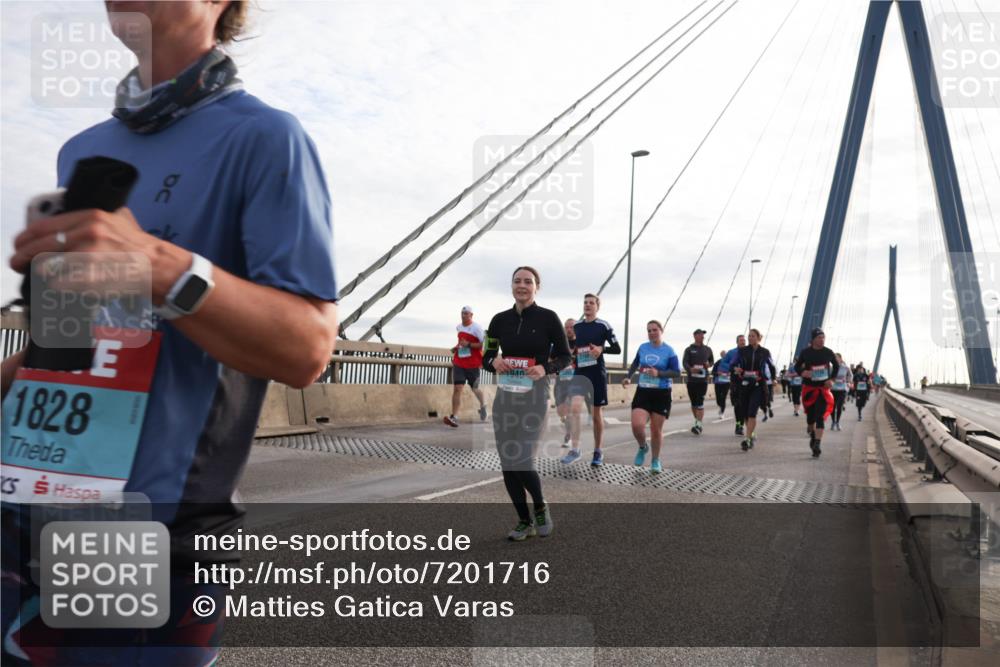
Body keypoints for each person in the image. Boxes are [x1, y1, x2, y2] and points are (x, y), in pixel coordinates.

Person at [1, 3, 339, 664]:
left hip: (152, 528)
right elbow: (71, 349)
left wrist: (158, 265)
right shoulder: (83, 152)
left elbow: (307, 348)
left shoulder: (267, 138)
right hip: (25, 504)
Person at [482, 267, 570, 541]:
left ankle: (541, 506)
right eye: (517, 281)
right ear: (512, 286)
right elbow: (487, 354)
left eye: (528, 282)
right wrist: (493, 361)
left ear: (537, 287)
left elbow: (565, 357)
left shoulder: (548, 318)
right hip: (506, 398)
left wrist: (546, 367)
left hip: (535, 397)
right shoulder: (499, 320)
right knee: (508, 462)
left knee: (521, 457)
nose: (522, 285)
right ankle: (524, 521)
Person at [562, 293, 620, 467]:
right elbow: (574, 346)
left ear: (597, 306)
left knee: (596, 415)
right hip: (580, 372)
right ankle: (575, 449)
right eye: (585, 302)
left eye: (591, 303)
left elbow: (617, 349)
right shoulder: (577, 326)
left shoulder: (603, 325)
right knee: (574, 408)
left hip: (596, 373)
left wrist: (602, 349)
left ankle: (598, 451)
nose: (587, 305)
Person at [622, 321, 680, 474]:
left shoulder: (669, 351)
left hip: (661, 393)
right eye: (649, 330)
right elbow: (635, 363)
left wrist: (659, 373)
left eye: (655, 330)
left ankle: (655, 460)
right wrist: (628, 377)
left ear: (661, 331)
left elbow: (676, 372)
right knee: (637, 425)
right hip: (643, 391)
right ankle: (643, 447)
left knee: (655, 430)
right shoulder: (643, 347)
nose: (652, 333)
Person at [795, 328, 839, 457]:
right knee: (810, 419)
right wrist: (803, 372)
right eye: (819, 337)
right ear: (813, 339)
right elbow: (797, 366)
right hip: (809, 389)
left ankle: (818, 444)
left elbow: (836, 367)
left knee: (820, 417)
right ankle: (813, 434)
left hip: (823, 389)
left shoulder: (828, 352)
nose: (822, 340)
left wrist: (832, 379)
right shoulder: (806, 352)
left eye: (823, 337)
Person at [444, 305, 487, 427]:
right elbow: (461, 342)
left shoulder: (477, 328)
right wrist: (456, 347)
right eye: (462, 313)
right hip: (459, 362)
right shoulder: (459, 327)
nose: (464, 315)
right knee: (458, 388)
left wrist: (468, 344)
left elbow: (482, 345)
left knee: (475, 388)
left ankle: (483, 406)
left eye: (466, 313)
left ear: (471, 315)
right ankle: (454, 417)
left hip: (473, 363)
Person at [731, 329, 772, 451]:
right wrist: (735, 369)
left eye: (753, 336)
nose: (750, 338)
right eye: (749, 336)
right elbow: (732, 364)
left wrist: (773, 379)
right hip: (744, 385)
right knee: (744, 412)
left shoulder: (764, 352)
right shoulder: (742, 351)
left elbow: (771, 366)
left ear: (759, 338)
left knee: (752, 412)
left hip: (758, 386)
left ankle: (747, 439)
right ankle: (751, 433)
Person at [682, 328, 714, 435]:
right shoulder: (689, 349)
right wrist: (690, 369)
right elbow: (685, 362)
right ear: (695, 336)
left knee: (700, 402)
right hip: (692, 380)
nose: (702, 336)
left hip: (703, 380)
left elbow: (712, 361)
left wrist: (708, 365)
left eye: (703, 335)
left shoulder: (708, 349)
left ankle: (698, 425)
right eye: (700, 334)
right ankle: (697, 421)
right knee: (694, 403)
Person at [553, 318, 580, 446]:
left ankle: (568, 436)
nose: (569, 329)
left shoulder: (581, 343)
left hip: (575, 382)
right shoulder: (559, 344)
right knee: (561, 412)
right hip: (561, 381)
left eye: (572, 327)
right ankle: (569, 426)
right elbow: (550, 359)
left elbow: (588, 362)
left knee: (569, 409)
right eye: (567, 327)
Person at [720, 335, 747, 435]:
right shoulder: (731, 353)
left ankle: (742, 425)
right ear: (737, 342)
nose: (743, 342)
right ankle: (739, 425)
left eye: (744, 340)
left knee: (744, 405)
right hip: (735, 382)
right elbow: (723, 364)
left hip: (747, 382)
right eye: (741, 340)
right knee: (737, 405)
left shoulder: (749, 352)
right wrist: (734, 368)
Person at [830, 353, 850, 431]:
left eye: (837, 358)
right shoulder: (831, 368)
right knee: (833, 407)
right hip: (833, 389)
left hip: (842, 389)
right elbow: (828, 376)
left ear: (841, 359)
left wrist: (848, 382)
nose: (836, 359)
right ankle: (833, 422)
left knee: (839, 407)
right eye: (834, 358)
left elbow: (850, 375)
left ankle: (837, 422)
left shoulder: (846, 368)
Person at [712, 349, 730, 418]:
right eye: (723, 355)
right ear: (721, 356)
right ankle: (720, 406)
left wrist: (729, 373)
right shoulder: (718, 362)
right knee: (718, 398)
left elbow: (734, 371)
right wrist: (718, 373)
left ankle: (722, 412)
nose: (724, 356)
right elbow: (713, 372)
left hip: (727, 382)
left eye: (725, 355)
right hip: (718, 382)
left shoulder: (730, 362)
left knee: (723, 397)